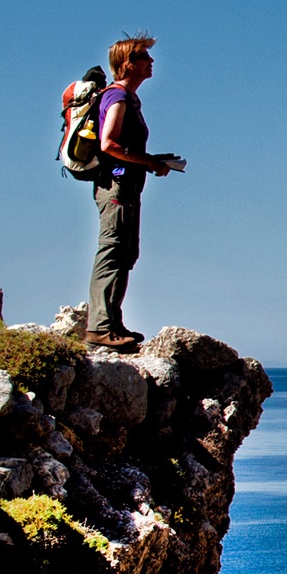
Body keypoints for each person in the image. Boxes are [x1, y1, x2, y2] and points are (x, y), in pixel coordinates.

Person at [86, 34, 185, 350]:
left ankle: (112, 324)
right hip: (116, 186)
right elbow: (109, 143)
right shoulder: (117, 97)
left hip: (127, 187)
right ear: (128, 63)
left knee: (126, 253)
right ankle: (100, 328)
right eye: (145, 57)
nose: (152, 62)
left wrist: (151, 162)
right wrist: (148, 161)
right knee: (113, 250)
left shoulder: (129, 98)